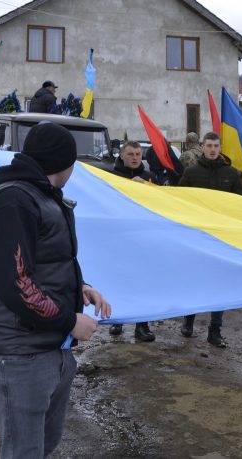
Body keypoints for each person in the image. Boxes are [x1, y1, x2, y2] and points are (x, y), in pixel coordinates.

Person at [0, 122, 111, 459]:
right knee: (24, 451)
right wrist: (70, 322)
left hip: (51, 347)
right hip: (22, 352)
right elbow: (16, 285)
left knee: (44, 445)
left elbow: (42, 263)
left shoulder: (44, 198)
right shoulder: (13, 201)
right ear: (62, 162)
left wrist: (79, 287)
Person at [178, 132, 242, 347]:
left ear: (220, 148)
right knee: (194, 279)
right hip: (197, 235)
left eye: (215, 146)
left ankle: (215, 330)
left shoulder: (232, 174)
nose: (212, 149)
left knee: (220, 283)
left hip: (222, 237)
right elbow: (179, 201)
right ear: (202, 147)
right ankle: (188, 321)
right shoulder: (191, 173)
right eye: (208, 145)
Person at [108, 141, 156, 343]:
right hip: (119, 236)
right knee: (119, 279)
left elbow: (157, 203)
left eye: (138, 154)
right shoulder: (110, 177)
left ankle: (142, 325)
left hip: (142, 236)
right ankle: (117, 319)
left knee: (142, 281)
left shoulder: (148, 177)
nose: (135, 157)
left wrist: (146, 188)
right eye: (130, 154)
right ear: (121, 155)